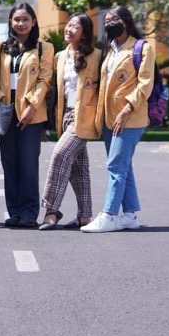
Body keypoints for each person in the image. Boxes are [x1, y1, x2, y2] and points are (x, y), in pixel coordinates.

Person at [82, 6, 155, 233]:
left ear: (125, 21)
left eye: (113, 20)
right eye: (105, 21)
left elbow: (145, 84)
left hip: (130, 118)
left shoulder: (142, 48)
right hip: (109, 118)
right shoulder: (110, 49)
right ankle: (130, 215)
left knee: (115, 165)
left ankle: (109, 215)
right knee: (124, 166)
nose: (108, 24)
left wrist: (127, 109)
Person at [39, 13, 100, 230]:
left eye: (76, 26)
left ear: (85, 32)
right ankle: (85, 215)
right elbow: (55, 92)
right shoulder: (59, 57)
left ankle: (51, 210)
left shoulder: (97, 56)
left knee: (59, 155)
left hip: (84, 117)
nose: (69, 29)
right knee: (78, 168)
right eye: (69, 24)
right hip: (64, 115)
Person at [0, 3, 54, 228]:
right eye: (16, 19)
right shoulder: (3, 47)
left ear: (33, 22)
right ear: (10, 22)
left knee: (28, 164)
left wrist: (32, 105)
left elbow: (45, 79)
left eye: (25, 19)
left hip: (32, 115)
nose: (20, 24)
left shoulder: (43, 48)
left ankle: (29, 212)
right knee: (9, 164)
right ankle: (14, 212)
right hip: (5, 114)